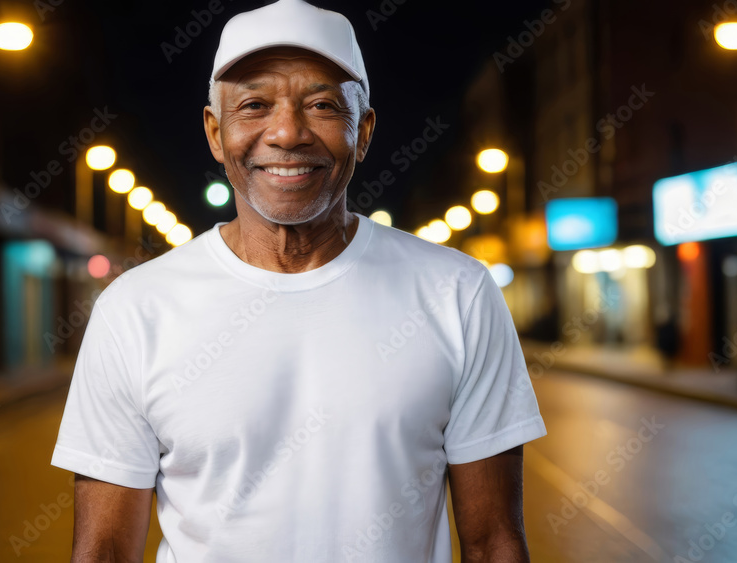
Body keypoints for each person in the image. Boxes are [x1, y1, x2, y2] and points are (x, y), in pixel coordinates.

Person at [50, 1, 547, 561]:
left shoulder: (460, 294)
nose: (287, 133)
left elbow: (494, 543)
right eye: (254, 104)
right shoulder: (135, 310)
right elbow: (104, 552)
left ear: (364, 131)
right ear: (216, 133)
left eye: (323, 104)